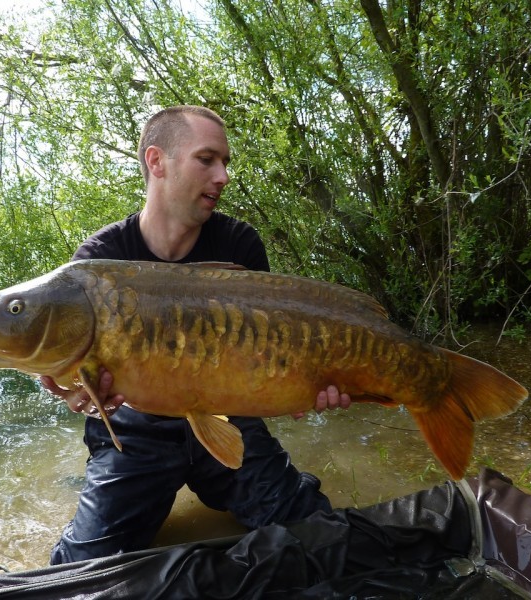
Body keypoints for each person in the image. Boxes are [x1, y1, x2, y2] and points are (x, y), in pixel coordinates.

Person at [42, 105, 351, 564]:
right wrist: (74, 389)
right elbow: (68, 362)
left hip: (227, 417)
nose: (223, 175)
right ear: (157, 161)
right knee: (81, 567)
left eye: (225, 162)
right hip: (135, 434)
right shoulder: (100, 259)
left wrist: (306, 385)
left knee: (314, 535)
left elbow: (267, 359)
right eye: (207, 160)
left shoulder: (239, 244)